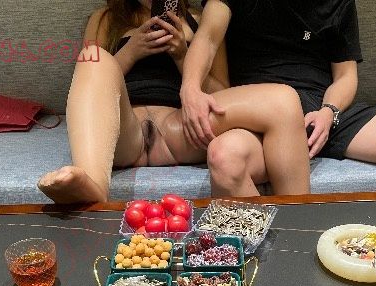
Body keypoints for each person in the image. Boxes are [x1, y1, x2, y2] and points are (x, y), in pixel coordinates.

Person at [181, 0, 376, 192]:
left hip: (322, 111)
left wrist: (329, 111)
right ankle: (274, 258)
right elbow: (207, 37)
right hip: (264, 119)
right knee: (225, 157)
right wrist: (190, 88)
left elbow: (346, 76)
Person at [38, 0, 311, 203]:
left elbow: (220, 90)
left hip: (180, 128)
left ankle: (301, 216)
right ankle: (92, 185)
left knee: (283, 99)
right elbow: (86, 88)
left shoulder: (199, 20)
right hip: (124, 131)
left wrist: (181, 55)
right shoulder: (105, 19)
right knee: (93, 60)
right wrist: (131, 51)